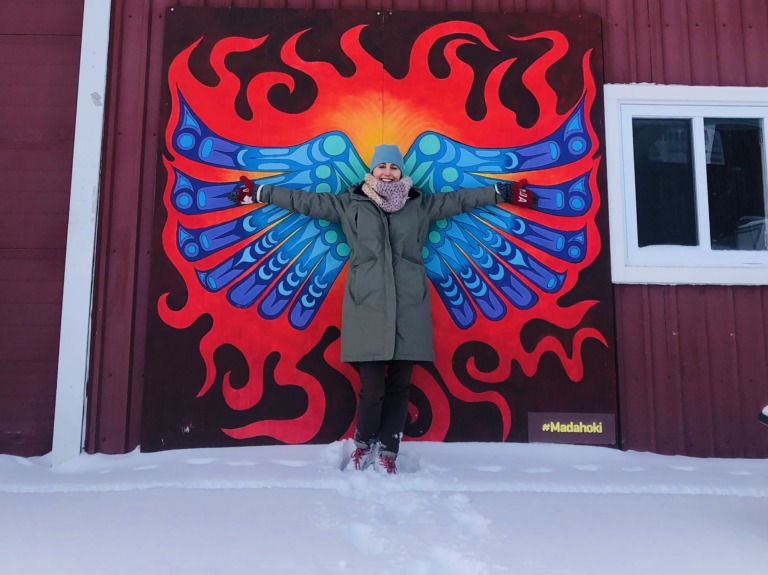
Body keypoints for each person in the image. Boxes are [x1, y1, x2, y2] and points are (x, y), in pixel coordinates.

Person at [232, 144, 535, 474]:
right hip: (368, 304)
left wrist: (500, 191)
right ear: (372, 171)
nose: (387, 172)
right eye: (382, 166)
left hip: (409, 305)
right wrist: (260, 192)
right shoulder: (350, 204)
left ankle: (389, 449)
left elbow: (461, 199)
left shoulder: (420, 205)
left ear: (401, 172)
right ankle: (363, 445)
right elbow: (303, 201)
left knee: (401, 386)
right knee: (372, 387)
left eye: (393, 167)